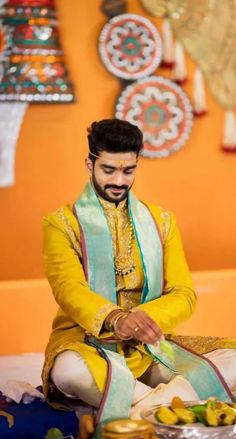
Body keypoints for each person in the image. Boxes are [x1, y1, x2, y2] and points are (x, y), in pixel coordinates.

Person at [42, 119, 236, 422]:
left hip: (150, 348)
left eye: (128, 171)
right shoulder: (61, 224)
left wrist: (141, 322)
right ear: (89, 164)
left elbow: (184, 294)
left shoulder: (162, 222)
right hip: (89, 347)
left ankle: (141, 410)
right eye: (109, 170)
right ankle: (168, 404)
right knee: (67, 371)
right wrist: (116, 318)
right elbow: (68, 289)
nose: (119, 180)